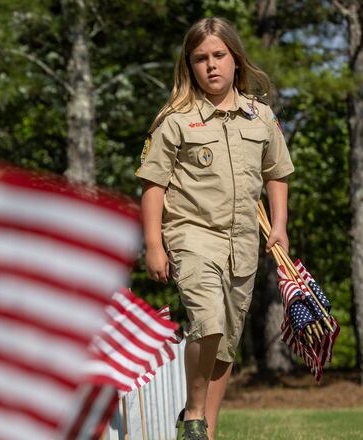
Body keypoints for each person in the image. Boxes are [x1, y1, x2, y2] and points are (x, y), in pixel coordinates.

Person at [136, 17, 293, 440]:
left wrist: (278, 225)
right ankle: (193, 412)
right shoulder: (175, 120)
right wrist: (154, 244)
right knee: (208, 321)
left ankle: (205, 431)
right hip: (191, 236)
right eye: (201, 58)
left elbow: (277, 172)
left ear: (236, 60)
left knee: (224, 346)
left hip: (242, 241)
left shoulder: (260, 117)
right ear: (190, 65)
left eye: (219, 56)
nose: (211, 66)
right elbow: (153, 185)